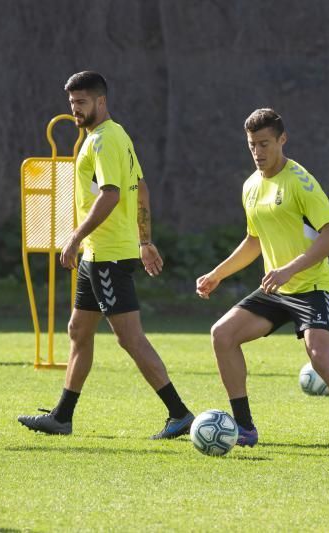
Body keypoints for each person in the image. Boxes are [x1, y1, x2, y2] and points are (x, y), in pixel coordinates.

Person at [18, 71, 196, 439]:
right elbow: (141, 189)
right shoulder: (115, 136)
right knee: (78, 330)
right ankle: (62, 417)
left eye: (81, 103)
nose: (75, 110)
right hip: (98, 254)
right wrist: (145, 242)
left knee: (130, 338)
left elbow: (112, 194)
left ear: (101, 101)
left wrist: (74, 237)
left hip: (107, 256)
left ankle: (179, 414)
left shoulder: (103, 141)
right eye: (71, 103)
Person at [196, 108, 329, 457]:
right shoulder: (251, 186)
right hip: (276, 290)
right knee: (222, 334)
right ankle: (245, 428)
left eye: (265, 144)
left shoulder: (301, 183)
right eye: (252, 145)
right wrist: (218, 274)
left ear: (282, 140)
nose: (258, 152)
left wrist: (289, 270)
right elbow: (254, 240)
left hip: (311, 287)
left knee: (321, 359)